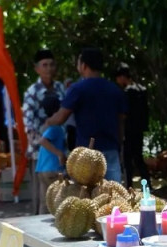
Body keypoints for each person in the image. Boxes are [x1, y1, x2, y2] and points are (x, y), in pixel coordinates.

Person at [46, 48, 127, 183]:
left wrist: (47, 122)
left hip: (86, 153)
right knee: (112, 192)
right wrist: (119, 146)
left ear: (83, 66)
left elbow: (60, 118)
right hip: (111, 149)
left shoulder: (78, 89)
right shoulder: (114, 90)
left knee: (86, 193)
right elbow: (121, 121)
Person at [22, 49, 65, 214]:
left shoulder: (60, 88)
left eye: (51, 65)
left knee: (60, 199)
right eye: (44, 65)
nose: (48, 69)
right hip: (39, 154)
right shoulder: (32, 92)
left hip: (60, 152)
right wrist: (46, 145)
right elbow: (29, 127)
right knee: (42, 200)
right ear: (37, 68)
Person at [114, 63, 151, 189]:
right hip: (139, 130)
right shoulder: (142, 89)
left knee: (127, 160)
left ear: (122, 77)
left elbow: (124, 113)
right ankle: (148, 184)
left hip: (129, 129)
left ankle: (128, 186)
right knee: (139, 158)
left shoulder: (127, 92)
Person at [35, 96, 66, 214]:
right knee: (58, 199)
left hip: (42, 168)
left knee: (45, 201)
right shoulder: (56, 128)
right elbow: (43, 141)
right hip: (53, 169)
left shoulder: (46, 127)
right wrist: (59, 153)